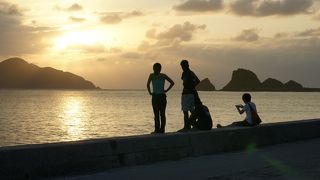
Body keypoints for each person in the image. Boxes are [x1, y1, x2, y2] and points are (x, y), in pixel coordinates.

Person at [147, 63, 174, 134]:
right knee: (156, 114)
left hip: (162, 96)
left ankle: (162, 130)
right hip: (155, 96)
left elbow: (172, 83)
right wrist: (150, 92)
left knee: (162, 113)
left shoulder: (163, 75)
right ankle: (157, 129)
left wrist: (166, 90)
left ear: (160, 68)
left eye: (157, 68)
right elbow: (147, 84)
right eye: (154, 67)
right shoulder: (151, 75)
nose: (155, 69)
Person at [178, 60, 200, 132]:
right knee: (192, 111)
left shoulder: (185, 73)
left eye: (182, 66)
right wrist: (192, 86)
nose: (182, 67)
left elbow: (184, 83)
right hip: (192, 94)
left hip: (186, 93)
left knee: (185, 111)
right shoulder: (191, 72)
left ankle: (186, 127)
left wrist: (188, 85)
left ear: (186, 65)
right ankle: (194, 126)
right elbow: (198, 81)